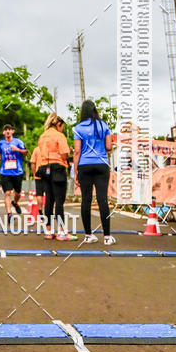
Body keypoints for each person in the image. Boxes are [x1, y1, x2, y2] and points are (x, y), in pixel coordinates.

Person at [72, 99, 114, 246]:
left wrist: (76, 172)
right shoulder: (104, 125)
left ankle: (88, 235)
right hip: (101, 164)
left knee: (86, 200)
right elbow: (109, 146)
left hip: (84, 165)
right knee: (103, 200)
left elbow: (77, 151)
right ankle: (107, 237)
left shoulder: (78, 128)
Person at [37, 113, 72, 239]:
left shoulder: (42, 136)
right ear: (58, 124)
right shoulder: (59, 136)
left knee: (49, 200)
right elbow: (64, 154)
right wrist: (69, 152)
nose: (61, 129)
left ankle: (48, 231)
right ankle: (61, 231)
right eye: (62, 126)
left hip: (44, 169)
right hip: (57, 168)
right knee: (59, 201)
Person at [0, 125, 27, 218]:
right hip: (5, 172)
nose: (8, 131)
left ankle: (15, 203)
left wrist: (17, 149)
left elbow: (26, 152)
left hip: (17, 172)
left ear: (13, 131)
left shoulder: (18, 142)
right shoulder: (1, 143)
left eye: (9, 130)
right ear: (3, 132)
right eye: (6, 130)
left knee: (18, 193)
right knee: (7, 193)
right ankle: (9, 214)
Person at [29, 145, 44, 216]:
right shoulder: (52, 148)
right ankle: (50, 210)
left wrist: (34, 173)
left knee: (39, 194)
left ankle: (40, 210)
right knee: (50, 194)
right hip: (50, 175)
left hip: (39, 175)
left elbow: (33, 163)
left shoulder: (37, 149)